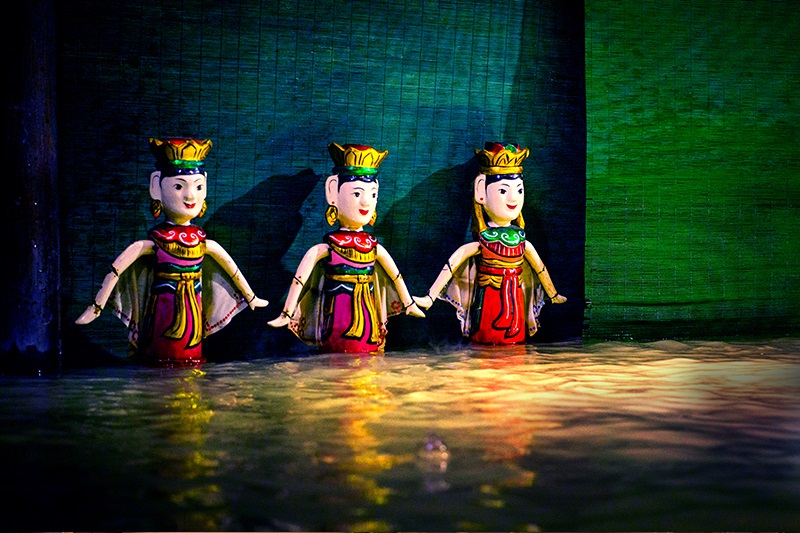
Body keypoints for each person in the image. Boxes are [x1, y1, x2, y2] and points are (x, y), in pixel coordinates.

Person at [76, 138, 268, 366]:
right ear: (156, 186)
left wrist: (251, 297)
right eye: (179, 186)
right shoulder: (155, 241)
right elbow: (117, 270)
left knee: (190, 360)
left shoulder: (203, 241)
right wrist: (96, 306)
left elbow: (231, 268)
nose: (190, 196)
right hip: (163, 308)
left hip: (194, 309)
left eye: (198, 186)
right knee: (161, 360)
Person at [268, 142, 424, 353]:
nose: (366, 203)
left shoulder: (373, 246)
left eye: (372, 194)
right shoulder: (328, 247)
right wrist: (286, 314)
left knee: (366, 361)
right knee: (335, 361)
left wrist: (408, 303)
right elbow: (300, 279)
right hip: (336, 317)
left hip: (367, 317)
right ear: (333, 192)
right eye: (357, 194)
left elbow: (395, 276)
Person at [415, 142, 566, 344]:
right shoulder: (485, 239)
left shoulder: (521, 240)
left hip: (515, 299)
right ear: (480, 191)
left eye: (519, 190)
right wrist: (430, 297)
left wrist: (552, 294)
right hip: (489, 298)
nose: (513, 198)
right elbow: (455, 261)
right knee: (487, 345)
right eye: (503, 191)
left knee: (514, 348)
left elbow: (539, 268)